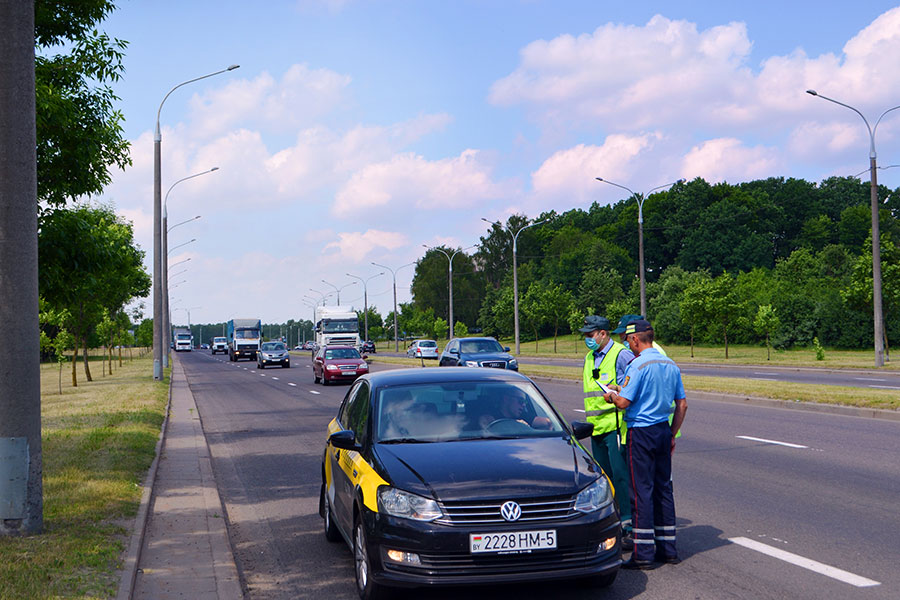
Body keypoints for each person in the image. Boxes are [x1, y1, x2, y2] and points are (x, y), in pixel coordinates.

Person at [604, 320, 687, 569]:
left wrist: (611, 395)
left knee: (642, 492)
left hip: (641, 432)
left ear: (636, 340)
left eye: (629, 340)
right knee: (664, 488)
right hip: (662, 430)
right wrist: (672, 434)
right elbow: (682, 404)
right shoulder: (671, 365)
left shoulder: (637, 365)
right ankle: (668, 548)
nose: (628, 344)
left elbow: (623, 403)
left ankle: (643, 554)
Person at [578, 315, 635, 546]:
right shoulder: (589, 358)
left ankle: (629, 523)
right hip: (596, 429)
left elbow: (632, 387)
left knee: (621, 476)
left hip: (615, 426)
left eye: (590, 335)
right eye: (585, 336)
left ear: (603, 333)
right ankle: (611, 519)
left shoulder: (621, 354)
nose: (587, 340)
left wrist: (617, 392)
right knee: (605, 479)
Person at [478, 388, 550, 430]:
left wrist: (552, 423)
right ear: (506, 399)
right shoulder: (489, 416)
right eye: (520, 401)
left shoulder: (522, 415)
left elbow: (546, 422)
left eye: (525, 402)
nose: (524, 405)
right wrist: (519, 425)